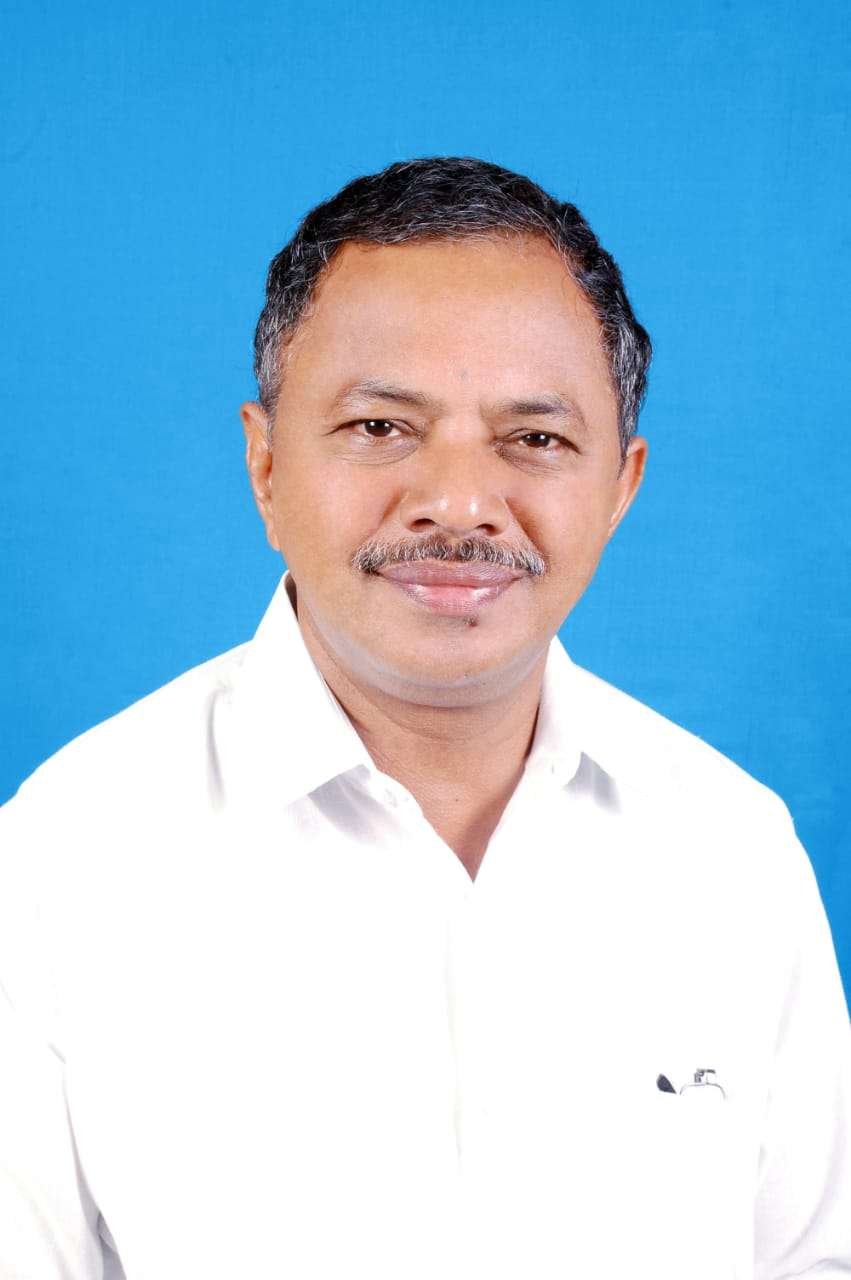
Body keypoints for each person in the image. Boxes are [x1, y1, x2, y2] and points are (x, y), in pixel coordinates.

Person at [0, 156, 848, 1280]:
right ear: (264, 462)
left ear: (621, 484)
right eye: (379, 426)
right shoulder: (62, 857)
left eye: (534, 439)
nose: (457, 502)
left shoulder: (731, 847)